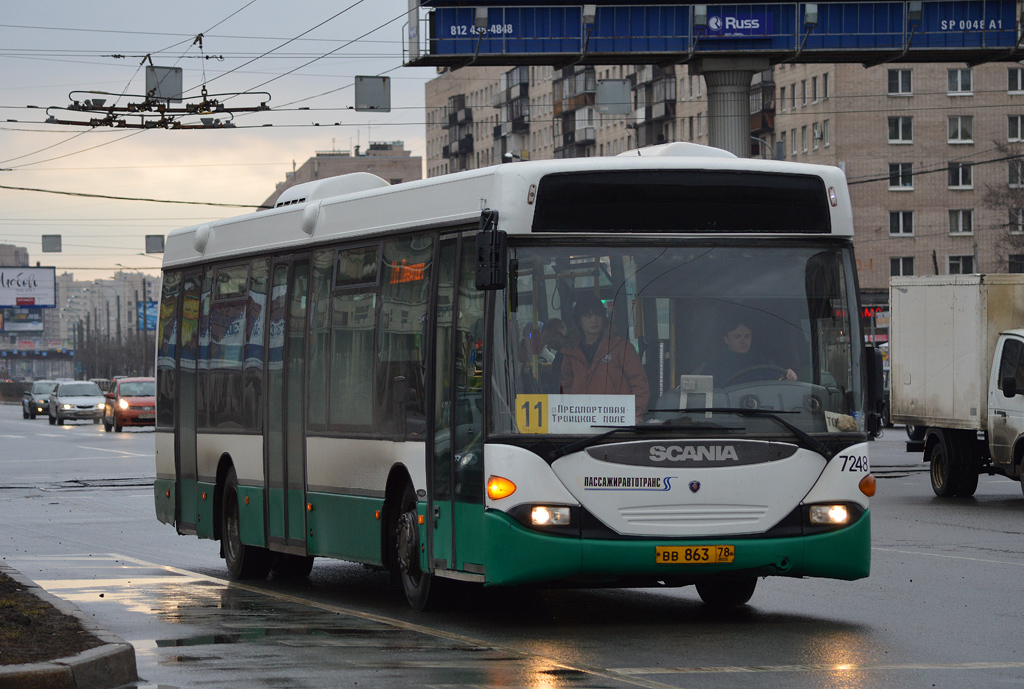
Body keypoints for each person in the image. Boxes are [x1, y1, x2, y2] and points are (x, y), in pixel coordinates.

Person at [560, 294, 650, 419]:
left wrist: (635, 413)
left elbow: (639, 383)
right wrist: (569, 414)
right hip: (582, 419)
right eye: (588, 316)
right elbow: (566, 386)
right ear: (579, 320)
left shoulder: (620, 347)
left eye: (598, 315)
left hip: (617, 418)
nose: (594, 320)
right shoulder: (570, 352)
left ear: (604, 318)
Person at [700, 320, 797, 386]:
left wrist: (789, 377)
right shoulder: (713, 368)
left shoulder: (765, 365)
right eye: (737, 336)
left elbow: (779, 386)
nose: (743, 341)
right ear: (726, 339)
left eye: (747, 336)